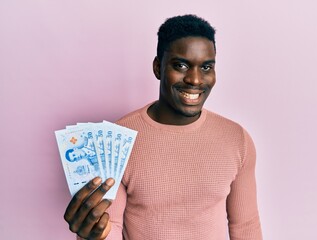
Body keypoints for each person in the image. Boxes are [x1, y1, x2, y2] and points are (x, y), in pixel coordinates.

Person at [64, 14, 262, 240]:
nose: (195, 80)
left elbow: (245, 226)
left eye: (206, 67)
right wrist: (93, 237)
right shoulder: (116, 142)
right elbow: (112, 227)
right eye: (181, 65)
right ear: (158, 68)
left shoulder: (236, 139)